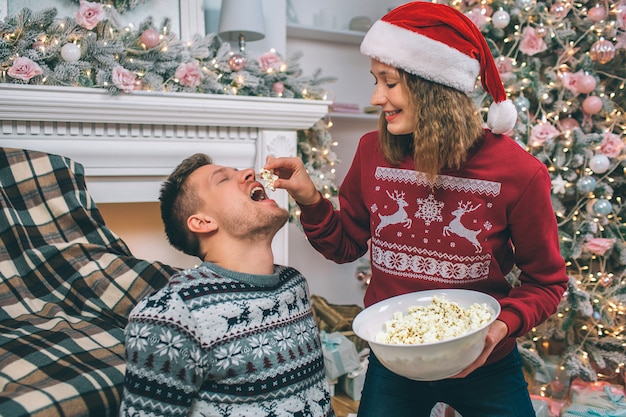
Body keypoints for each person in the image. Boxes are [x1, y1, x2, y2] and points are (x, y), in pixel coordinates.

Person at [264, 2, 568, 417]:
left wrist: (501, 327)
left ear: (433, 87)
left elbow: (546, 282)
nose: (376, 98)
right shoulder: (372, 152)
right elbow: (346, 246)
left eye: (389, 83)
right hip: (396, 364)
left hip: (487, 363)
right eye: (376, 81)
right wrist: (308, 198)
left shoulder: (519, 172)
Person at [119, 153, 335, 417]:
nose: (248, 172)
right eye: (223, 179)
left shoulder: (294, 285)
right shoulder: (170, 315)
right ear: (202, 222)